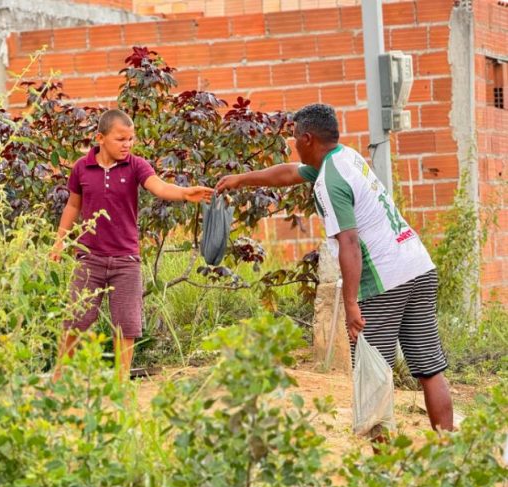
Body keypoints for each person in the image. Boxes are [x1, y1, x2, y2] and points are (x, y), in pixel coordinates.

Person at [216, 103, 454, 432]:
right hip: (417, 266)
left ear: (308, 139)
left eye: (295, 138)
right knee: (429, 367)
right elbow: (289, 172)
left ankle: (381, 468)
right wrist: (240, 180)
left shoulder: (329, 181)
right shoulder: (345, 157)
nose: (293, 143)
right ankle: (448, 447)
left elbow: (350, 243)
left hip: (385, 280)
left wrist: (351, 303)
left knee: (371, 374)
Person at [50, 109, 213, 380]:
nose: (127, 145)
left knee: (126, 324)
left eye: (131, 139)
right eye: (121, 139)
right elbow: (72, 205)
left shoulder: (136, 165)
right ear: (100, 138)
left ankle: (120, 382)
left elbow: (159, 187)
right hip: (89, 258)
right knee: (76, 318)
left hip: (125, 260)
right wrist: (59, 243)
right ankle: (59, 377)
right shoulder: (81, 167)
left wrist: (185, 193)